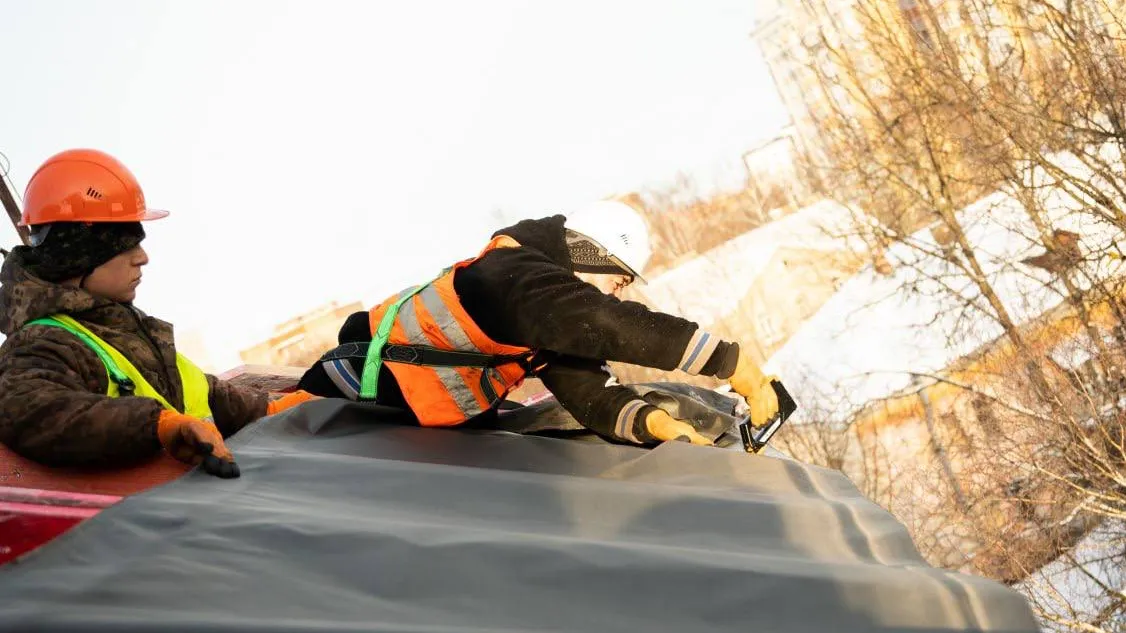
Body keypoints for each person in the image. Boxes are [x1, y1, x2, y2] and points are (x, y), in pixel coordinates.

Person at [297, 198, 780, 446]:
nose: (620, 292)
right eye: (620, 280)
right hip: (345, 399)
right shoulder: (513, 279)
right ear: (593, 259)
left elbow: (589, 393)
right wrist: (731, 364)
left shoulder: (542, 314)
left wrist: (655, 425)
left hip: (402, 420)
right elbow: (604, 321)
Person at [0, 148, 317, 478]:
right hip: (151, 518)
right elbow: (33, 410)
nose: (143, 257)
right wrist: (157, 425)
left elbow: (204, 393)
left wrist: (276, 408)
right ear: (80, 255)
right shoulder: (42, 343)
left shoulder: (125, 332)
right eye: (125, 244)